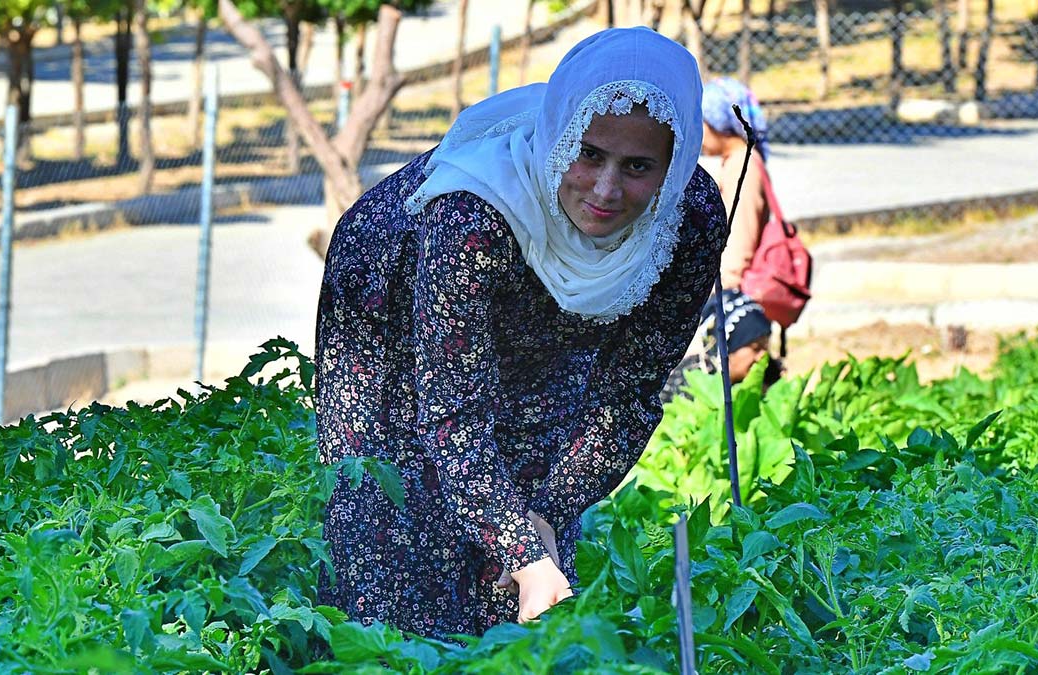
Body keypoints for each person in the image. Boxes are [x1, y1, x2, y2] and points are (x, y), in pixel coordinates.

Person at [312, 27, 728, 640]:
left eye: (638, 167)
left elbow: (629, 393)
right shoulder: (468, 220)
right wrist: (524, 553)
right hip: (392, 311)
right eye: (589, 154)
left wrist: (546, 515)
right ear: (561, 136)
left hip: (546, 323)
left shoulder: (687, 220)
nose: (606, 190)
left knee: (532, 508)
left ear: (673, 166)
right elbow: (452, 414)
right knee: (391, 522)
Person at [700, 76, 771, 292]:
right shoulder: (738, 161)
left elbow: (738, 239)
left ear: (717, 122)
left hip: (736, 294)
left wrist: (718, 295)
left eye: (700, 121)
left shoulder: (742, 166)